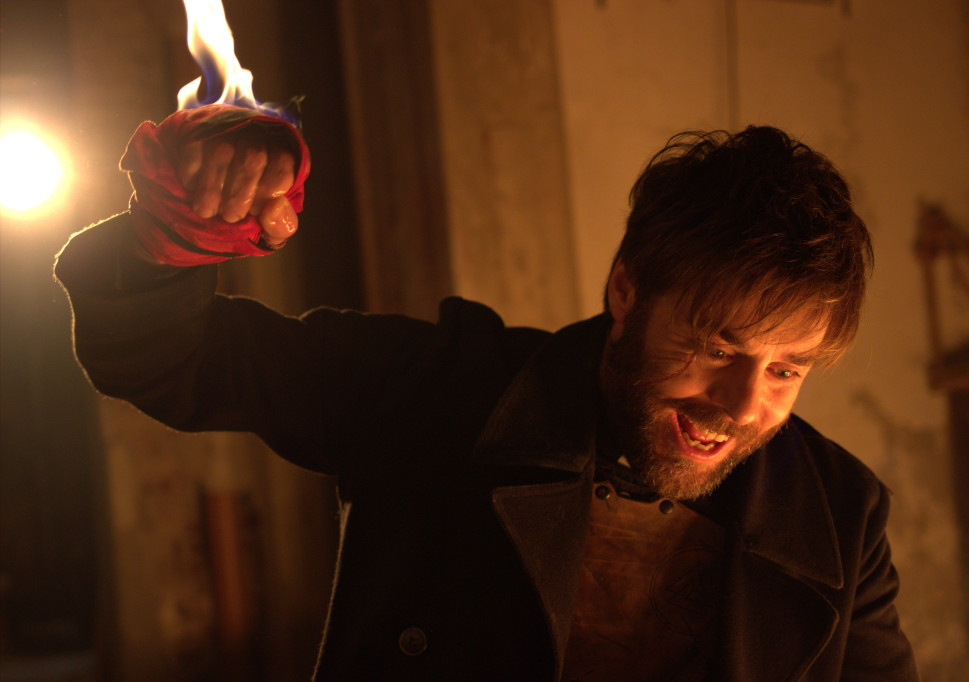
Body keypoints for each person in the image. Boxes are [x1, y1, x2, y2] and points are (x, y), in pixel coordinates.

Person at [55, 106, 918, 681]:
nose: (740, 404)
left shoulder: (839, 515)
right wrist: (183, 227)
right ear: (627, 292)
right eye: (716, 347)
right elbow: (168, 359)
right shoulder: (444, 390)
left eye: (786, 370)